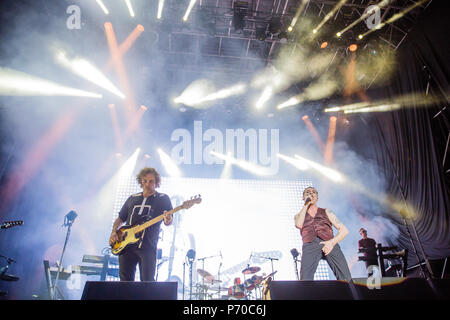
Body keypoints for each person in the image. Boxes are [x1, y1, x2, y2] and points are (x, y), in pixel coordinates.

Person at [109, 167, 173, 281]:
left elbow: (168, 221)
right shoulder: (132, 198)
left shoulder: (163, 198)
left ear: (156, 182)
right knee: (125, 282)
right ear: (141, 182)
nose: (147, 184)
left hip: (148, 247)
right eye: (144, 181)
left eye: (151, 181)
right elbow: (120, 219)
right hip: (126, 247)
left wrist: (168, 219)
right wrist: (114, 232)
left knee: (147, 283)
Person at [294, 186, 352, 281]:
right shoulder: (298, 215)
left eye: (314, 192)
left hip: (330, 242)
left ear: (317, 197)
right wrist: (306, 205)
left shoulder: (327, 211)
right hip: (310, 245)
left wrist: (331, 243)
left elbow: (344, 230)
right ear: (303, 197)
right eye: (307, 192)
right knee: (305, 279)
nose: (311, 193)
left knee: (346, 278)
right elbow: (299, 224)